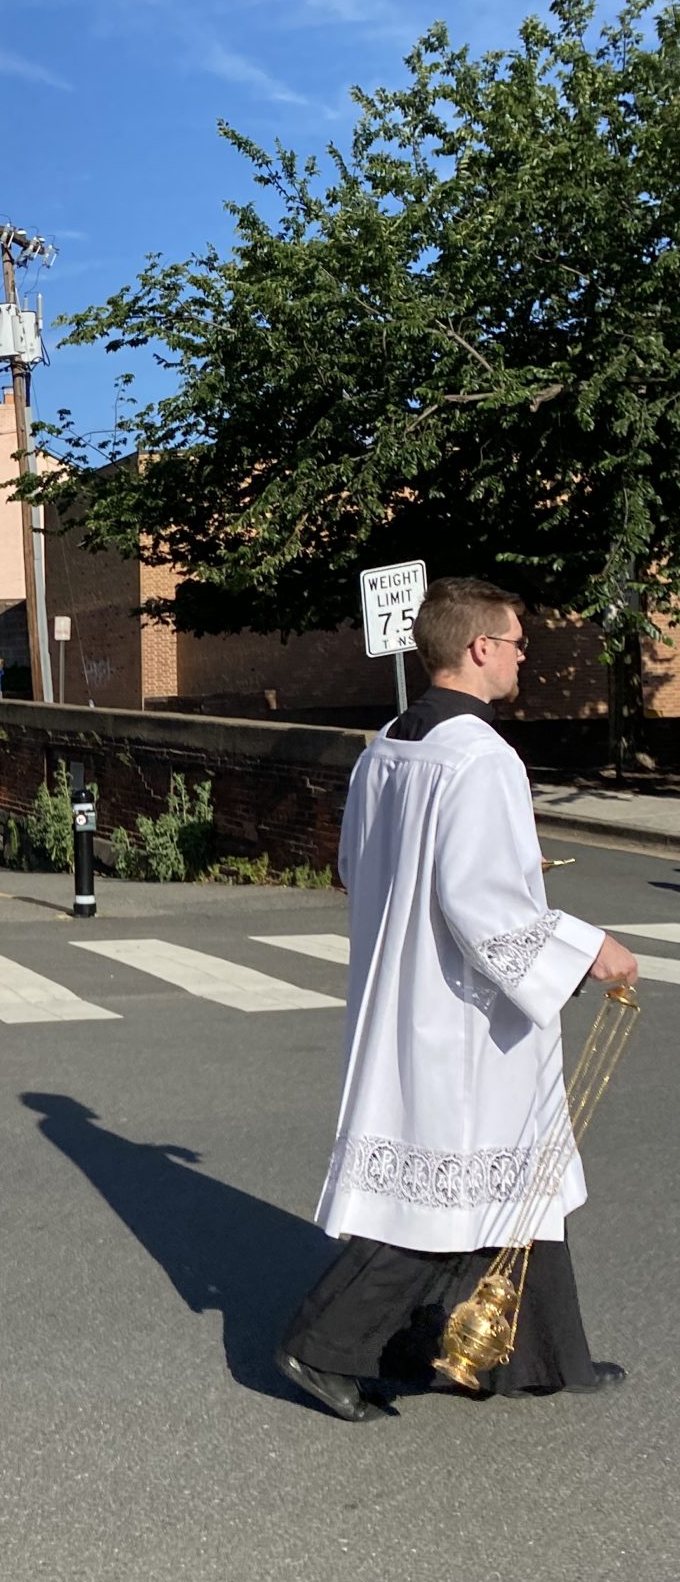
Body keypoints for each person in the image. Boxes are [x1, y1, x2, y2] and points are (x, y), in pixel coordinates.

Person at [275, 575, 639, 1421]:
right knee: (447, 1183)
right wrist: (590, 949)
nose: (521, 657)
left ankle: (534, 1356)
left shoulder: (389, 746)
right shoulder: (481, 758)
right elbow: (488, 906)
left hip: (410, 984)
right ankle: (322, 1343)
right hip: (462, 1012)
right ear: (478, 647)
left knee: (513, 1176)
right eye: (515, 642)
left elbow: (353, 868)